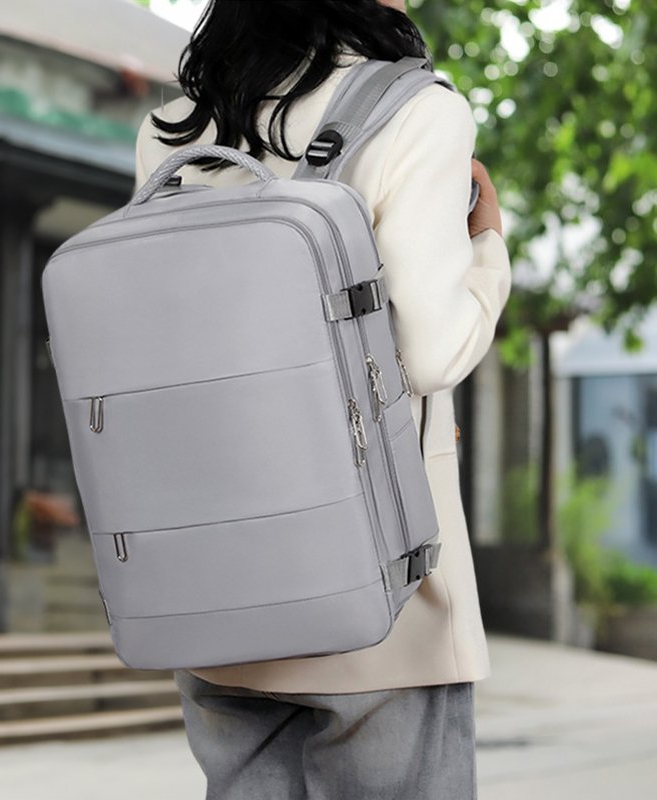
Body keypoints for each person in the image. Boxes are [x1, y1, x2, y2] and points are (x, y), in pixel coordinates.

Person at [133, 1, 511, 797]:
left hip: (211, 586)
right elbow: (434, 352)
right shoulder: (415, 110)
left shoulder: (174, 128)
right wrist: (488, 250)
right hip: (378, 596)